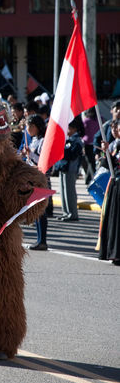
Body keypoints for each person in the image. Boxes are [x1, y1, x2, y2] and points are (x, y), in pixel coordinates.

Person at [23, 114, 49, 250]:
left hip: (41, 178)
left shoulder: (43, 141)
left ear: (35, 127)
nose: (27, 129)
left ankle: (42, 240)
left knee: (41, 210)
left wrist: (31, 154)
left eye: (29, 126)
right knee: (36, 209)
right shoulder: (33, 140)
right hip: (33, 177)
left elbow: (42, 160)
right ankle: (39, 239)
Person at [99, 120, 120, 266]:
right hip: (115, 185)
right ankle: (113, 252)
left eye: (118, 129)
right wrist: (105, 152)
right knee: (113, 220)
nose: (116, 131)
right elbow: (108, 165)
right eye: (115, 128)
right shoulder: (115, 145)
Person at [55, 116, 84, 222]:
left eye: (68, 128)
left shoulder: (76, 140)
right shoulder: (68, 140)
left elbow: (71, 154)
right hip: (63, 167)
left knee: (70, 192)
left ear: (74, 129)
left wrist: (62, 149)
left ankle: (72, 213)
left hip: (70, 169)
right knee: (63, 192)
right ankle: (66, 212)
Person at [81, 107, 99, 184]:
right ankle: (88, 178)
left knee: (90, 161)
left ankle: (91, 177)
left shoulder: (86, 120)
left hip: (88, 143)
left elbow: (83, 132)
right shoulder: (99, 119)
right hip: (96, 143)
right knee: (92, 162)